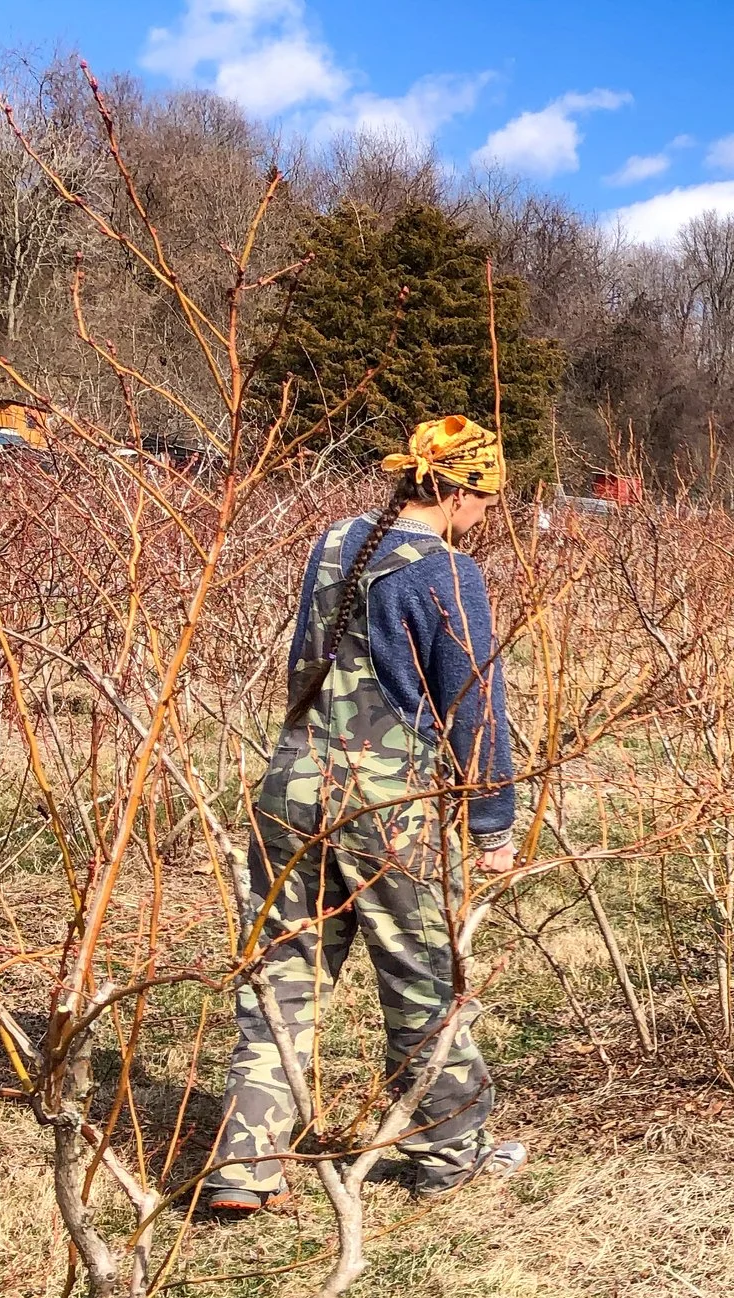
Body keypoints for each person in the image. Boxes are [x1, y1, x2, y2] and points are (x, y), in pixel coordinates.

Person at [200, 415, 526, 1216]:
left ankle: (246, 1164)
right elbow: (473, 700)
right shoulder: (449, 574)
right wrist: (493, 823)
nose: (486, 518)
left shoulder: (337, 541)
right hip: (385, 801)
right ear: (454, 491)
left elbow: (304, 664)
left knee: (281, 971)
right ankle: (452, 1153)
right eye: (485, 499)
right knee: (422, 978)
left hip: (291, 780)